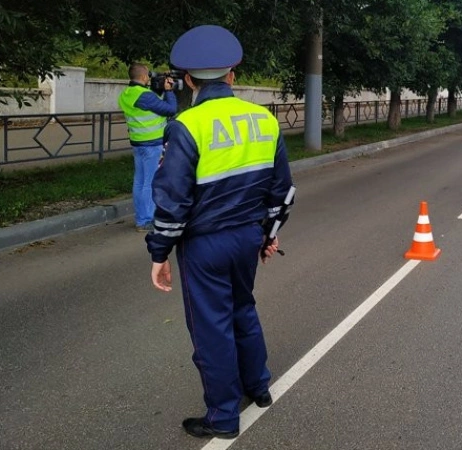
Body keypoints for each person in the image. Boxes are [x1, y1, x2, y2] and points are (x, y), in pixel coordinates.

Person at [145, 24, 295, 439]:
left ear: (189, 80)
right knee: (243, 309)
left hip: (205, 245)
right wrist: (268, 233)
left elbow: (172, 202)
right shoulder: (264, 120)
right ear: (233, 75)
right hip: (248, 237)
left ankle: (224, 417)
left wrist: (159, 253)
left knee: (212, 328)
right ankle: (259, 386)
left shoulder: (186, 126)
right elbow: (282, 192)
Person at [118, 63, 178, 232]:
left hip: (138, 143)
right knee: (150, 182)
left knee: (139, 181)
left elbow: (152, 105)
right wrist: (169, 91)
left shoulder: (127, 94)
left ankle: (140, 217)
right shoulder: (144, 96)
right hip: (152, 144)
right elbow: (171, 109)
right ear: (144, 77)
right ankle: (146, 220)